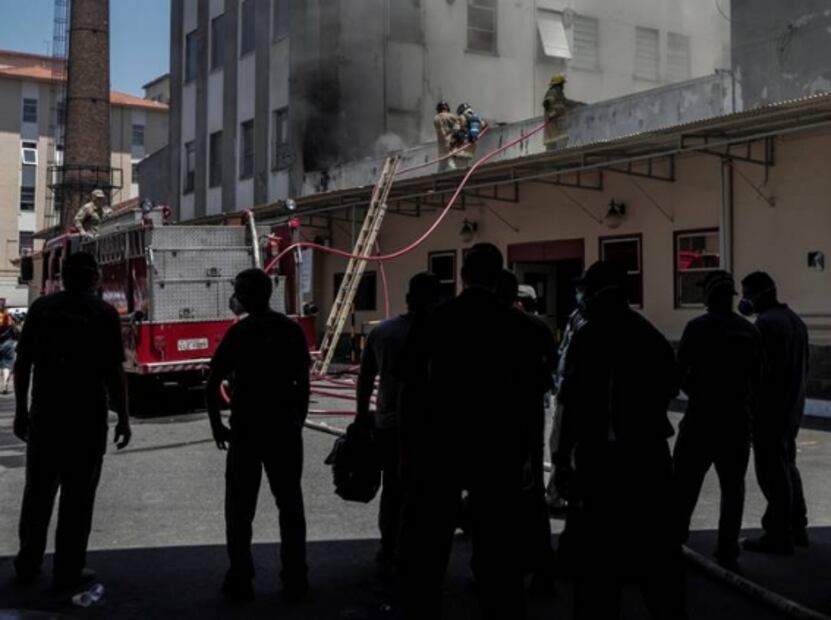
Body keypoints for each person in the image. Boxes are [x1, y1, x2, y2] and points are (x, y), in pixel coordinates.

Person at [398, 244, 543, 620]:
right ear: (500, 277)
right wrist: (528, 451)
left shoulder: (435, 320)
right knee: (499, 548)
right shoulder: (519, 326)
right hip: (498, 446)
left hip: (441, 443)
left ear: (462, 275)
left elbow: (410, 386)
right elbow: (531, 394)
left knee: (430, 545)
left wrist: (411, 444)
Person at [554, 261, 685, 619]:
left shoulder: (588, 337)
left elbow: (573, 407)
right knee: (657, 556)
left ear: (596, 293)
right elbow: (670, 386)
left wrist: (563, 461)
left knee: (597, 565)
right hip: (648, 457)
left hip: (602, 461)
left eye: (585, 290)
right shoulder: (649, 335)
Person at [13, 252, 131, 591]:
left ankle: (28, 562)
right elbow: (114, 372)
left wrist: (21, 411)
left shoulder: (42, 309)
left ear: (63, 277)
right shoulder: (103, 314)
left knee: (37, 493)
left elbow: (23, 365)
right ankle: (68, 568)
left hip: (47, 416)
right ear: (95, 278)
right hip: (86, 419)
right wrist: (123, 418)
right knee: (78, 499)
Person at [206, 268, 311, 603]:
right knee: (290, 504)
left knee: (240, 510)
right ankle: (295, 577)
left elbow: (212, 380)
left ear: (248, 296)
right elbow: (304, 383)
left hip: (247, 430)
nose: (235, 296)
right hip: (284, 429)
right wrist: (297, 421)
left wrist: (216, 425)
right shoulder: (290, 330)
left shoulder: (241, 332)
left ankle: (240, 578)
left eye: (238, 291)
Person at [672, 271, 763, 570]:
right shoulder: (749, 331)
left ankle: (673, 540)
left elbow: (678, 373)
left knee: (684, 485)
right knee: (733, 489)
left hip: (701, 418)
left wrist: (696, 391)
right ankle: (727, 549)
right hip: (736, 421)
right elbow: (758, 380)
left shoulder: (697, 328)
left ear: (710, 295)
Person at [355, 271, 441, 575]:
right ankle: (424, 548)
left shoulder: (383, 332)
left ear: (407, 298)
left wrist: (361, 416)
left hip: (388, 423)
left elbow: (365, 379)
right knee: (431, 489)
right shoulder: (445, 333)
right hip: (434, 426)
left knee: (392, 487)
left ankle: (389, 546)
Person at [739, 271, 810, 554]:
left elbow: (758, 372)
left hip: (770, 409)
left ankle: (778, 534)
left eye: (747, 294)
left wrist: (750, 407)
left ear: (760, 294)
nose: (744, 300)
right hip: (791, 407)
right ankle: (797, 526)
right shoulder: (795, 321)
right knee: (787, 464)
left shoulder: (766, 325)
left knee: (771, 471)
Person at [495, 269, 557, 592]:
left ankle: (500, 570)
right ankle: (541, 568)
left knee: (496, 499)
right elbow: (552, 371)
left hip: (494, 425)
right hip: (529, 420)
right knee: (532, 498)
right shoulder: (537, 328)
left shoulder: (485, 329)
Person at [452, 103, 485, 168]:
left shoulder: (461, 117)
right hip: (470, 150)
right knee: (466, 167)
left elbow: (455, 130)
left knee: (459, 170)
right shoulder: (476, 118)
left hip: (461, 149)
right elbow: (483, 124)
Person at [542, 74, 569, 150]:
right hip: (553, 126)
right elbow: (546, 104)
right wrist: (551, 114)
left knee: (554, 148)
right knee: (555, 148)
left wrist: (578, 104)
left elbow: (565, 103)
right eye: (562, 84)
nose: (563, 86)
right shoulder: (553, 92)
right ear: (559, 84)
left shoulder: (559, 94)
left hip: (555, 129)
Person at [433, 101, 459, 173]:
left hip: (441, 147)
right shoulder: (451, 116)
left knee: (441, 167)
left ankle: (438, 178)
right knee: (451, 164)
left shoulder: (436, 118)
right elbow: (459, 125)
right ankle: (457, 175)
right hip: (450, 146)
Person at [0, 303, 18, 394]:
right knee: (7, 366)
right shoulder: (9, 318)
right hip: (8, 344)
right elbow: (16, 332)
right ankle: (5, 385)